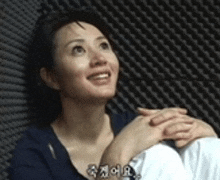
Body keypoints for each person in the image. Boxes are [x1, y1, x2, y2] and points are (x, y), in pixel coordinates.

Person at [8, 8, 220, 180]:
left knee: (205, 147)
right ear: (51, 77)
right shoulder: (36, 151)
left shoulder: (139, 125)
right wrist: (117, 154)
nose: (100, 58)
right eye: (78, 50)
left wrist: (207, 134)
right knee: (157, 156)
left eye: (104, 45)